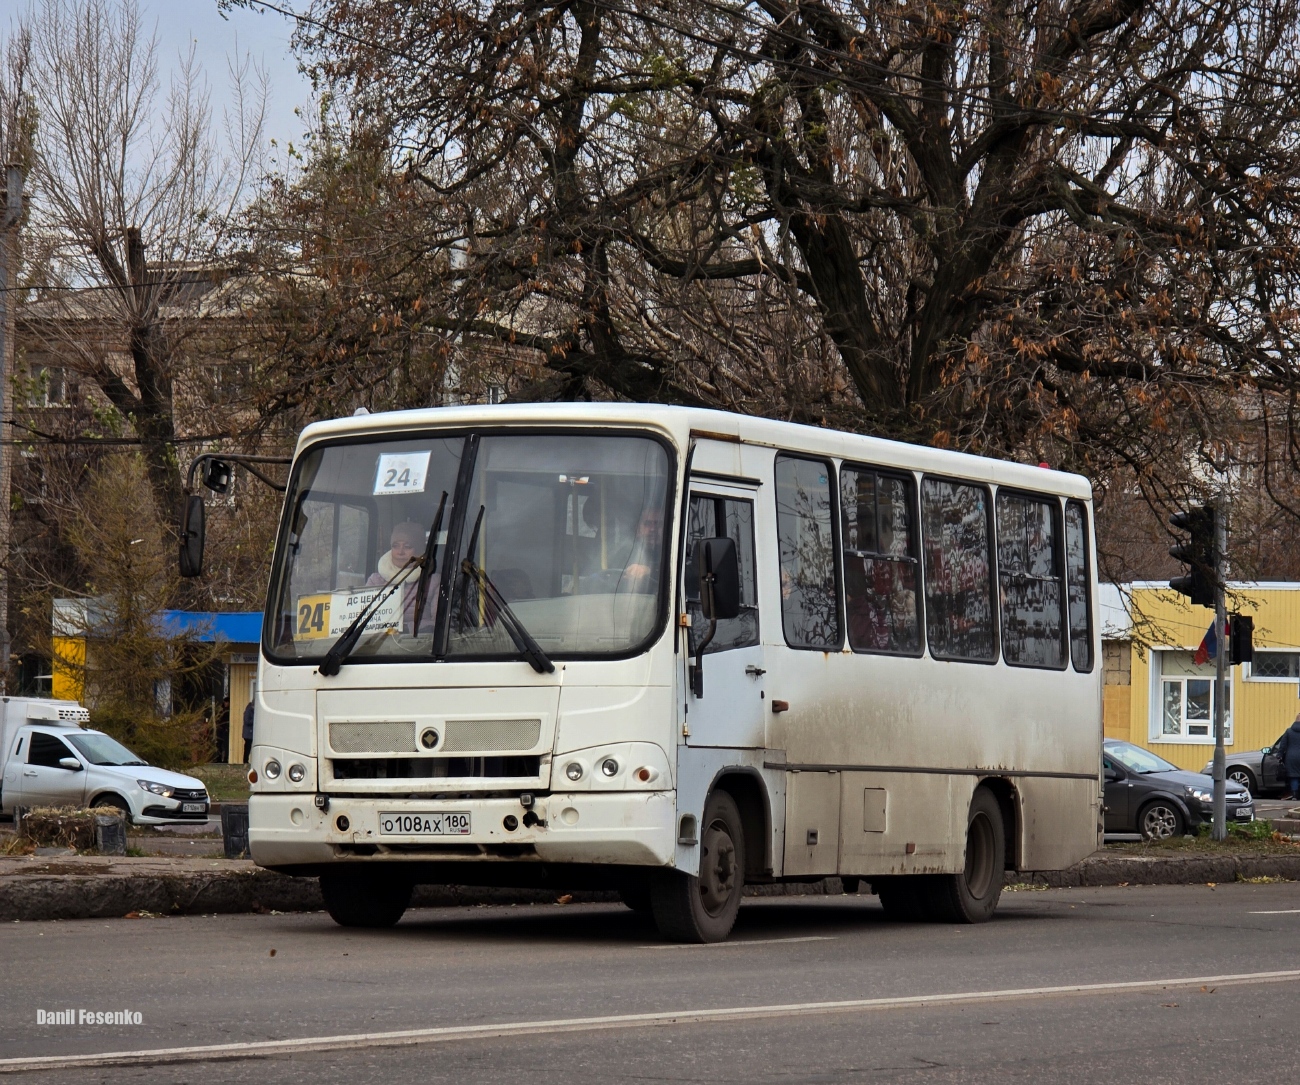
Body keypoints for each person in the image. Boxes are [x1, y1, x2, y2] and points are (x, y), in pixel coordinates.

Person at [368, 522, 436, 632]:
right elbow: (362, 618)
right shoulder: (375, 581)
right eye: (395, 546)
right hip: (378, 645)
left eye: (407, 546)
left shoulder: (433, 582)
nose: (400, 552)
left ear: (419, 551)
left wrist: (404, 629)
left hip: (418, 645)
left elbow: (441, 625)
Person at [623, 506, 664, 590]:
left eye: (658, 524)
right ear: (638, 530)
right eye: (647, 524)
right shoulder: (625, 552)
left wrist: (649, 571)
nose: (653, 529)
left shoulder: (675, 552)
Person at [1274, 711, 1300, 799]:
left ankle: (1294, 795)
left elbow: (1283, 745)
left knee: (1294, 777)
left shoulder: (1289, 731)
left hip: (1291, 757)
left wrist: (1279, 755)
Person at [241, 695, 255, 764]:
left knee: (248, 746)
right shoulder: (249, 710)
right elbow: (247, 721)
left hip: (250, 732)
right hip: (248, 732)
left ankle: (246, 760)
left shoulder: (251, 710)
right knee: (247, 747)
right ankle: (245, 760)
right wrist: (254, 720)